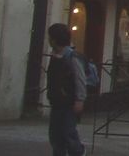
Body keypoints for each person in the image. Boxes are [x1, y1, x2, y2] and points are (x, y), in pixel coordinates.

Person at [46, 23, 87, 156]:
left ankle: (78, 152)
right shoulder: (55, 56)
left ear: (54, 39)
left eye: (50, 37)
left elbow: (80, 79)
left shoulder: (71, 57)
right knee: (55, 135)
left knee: (68, 132)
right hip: (57, 101)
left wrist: (79, 100)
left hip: (69, 102)